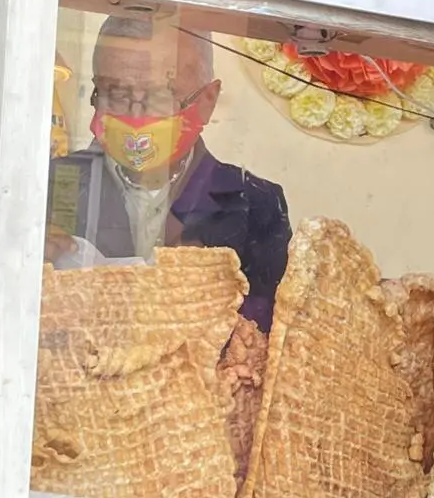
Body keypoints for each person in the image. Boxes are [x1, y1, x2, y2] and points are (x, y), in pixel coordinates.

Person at [47, 16, 291, 332]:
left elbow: (270, 335)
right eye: (115, 93)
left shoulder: (257, 206)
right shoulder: (48, 186)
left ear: (207, 101)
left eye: (159, 96)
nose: (134, 116)